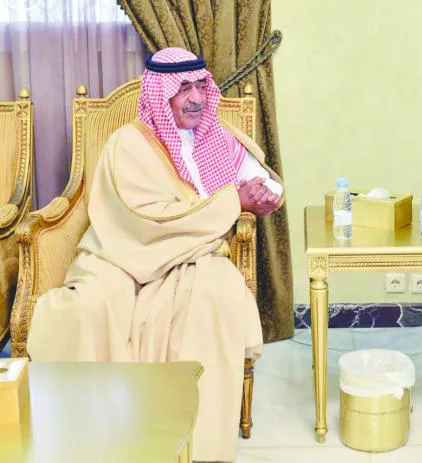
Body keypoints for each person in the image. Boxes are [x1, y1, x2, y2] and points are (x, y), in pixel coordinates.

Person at [26, 47, 283, 462]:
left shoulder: (218, 138)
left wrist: (263, 197)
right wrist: (231, 203)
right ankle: (97, 433)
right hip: (121, 253)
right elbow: (139, 221)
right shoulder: (127, 144)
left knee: (215, 296)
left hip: (196, 253)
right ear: (161, 95)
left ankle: (195, 444)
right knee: (89, 307)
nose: (196, 98)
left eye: (201, 86)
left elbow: (265, 186)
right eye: (184, 89)